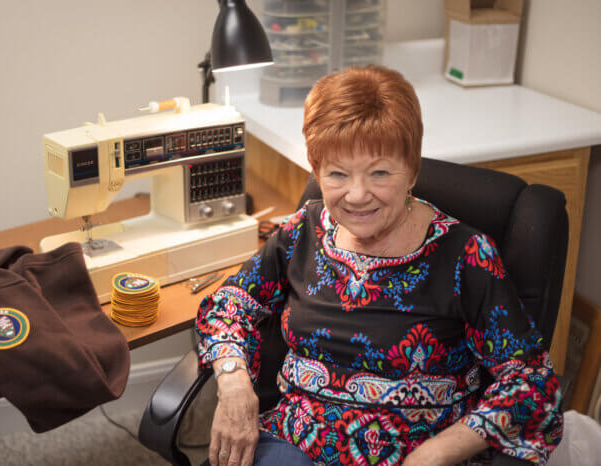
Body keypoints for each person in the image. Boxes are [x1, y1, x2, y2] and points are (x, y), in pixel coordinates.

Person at [196, 65, 563, 466]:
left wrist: (437, 453)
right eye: (337, 173)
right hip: (293, 445)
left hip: (415, 455)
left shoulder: (466, 256)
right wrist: (233, 383)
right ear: (316, 170)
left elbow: (530, 384)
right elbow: (230, 304)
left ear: (412, 171)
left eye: (380, 173)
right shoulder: (302, 232)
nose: (356, 195)